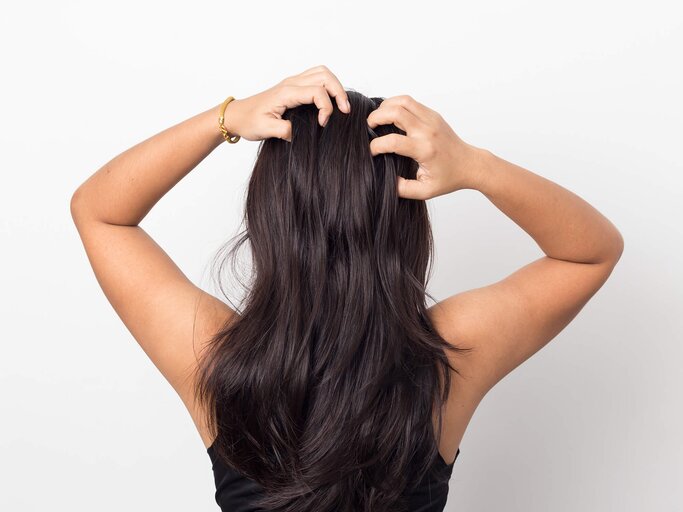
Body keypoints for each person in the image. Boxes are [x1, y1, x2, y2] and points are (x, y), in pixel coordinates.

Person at [70, 65, 624, 512]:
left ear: (270, 213)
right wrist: (473, 165)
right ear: (403, 217)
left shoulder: (213, 357)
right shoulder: (447, 359)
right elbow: (589, 252)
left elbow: (100, 213)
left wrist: (228, 118)